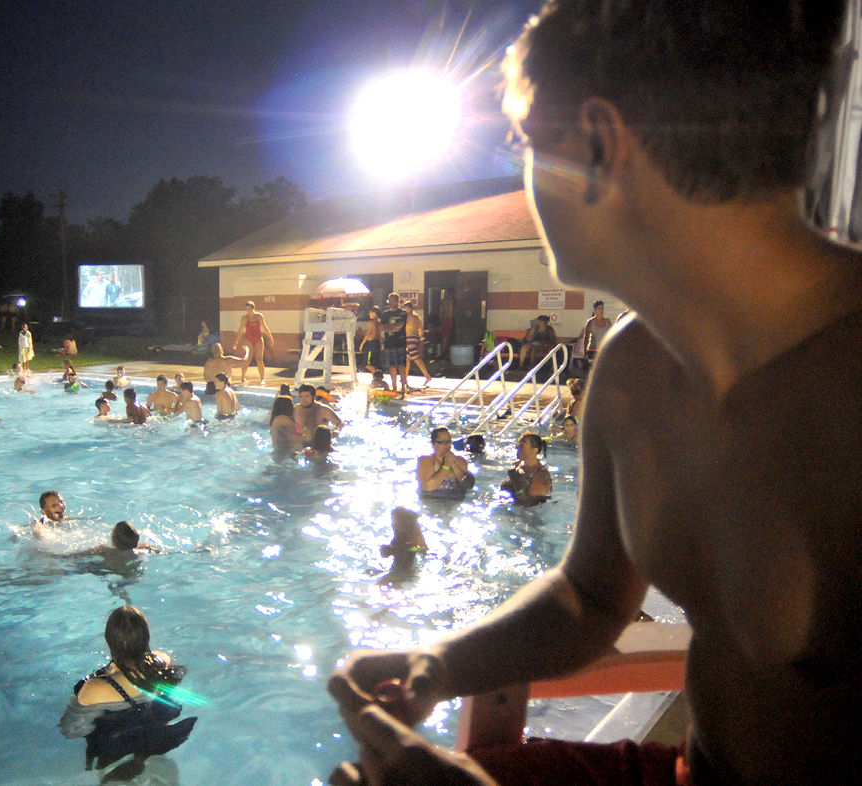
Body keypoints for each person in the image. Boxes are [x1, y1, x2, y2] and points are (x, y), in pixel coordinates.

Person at [328, 3, 861, 784]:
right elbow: (588, 598)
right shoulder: (634, 370)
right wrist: (434, 662)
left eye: (526, 146)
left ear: (601, 147)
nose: (525, 177)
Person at [59, 606, 196, 773]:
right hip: (160, 740)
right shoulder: (163, 661)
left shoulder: (94, 689)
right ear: (147, 638)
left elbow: (71, 730)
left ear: (107, 642)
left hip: (116, 755)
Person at [415, 426, 473, 499]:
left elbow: (468, 486)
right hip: (432, 503)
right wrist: (446, 465)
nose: (447, 445)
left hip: (455, 504)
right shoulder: (426, 461)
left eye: (448, 441)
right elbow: (428, 487)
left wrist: (454, 466)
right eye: (442, 442)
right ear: (433, 444)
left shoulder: (460, 461)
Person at [501, 432, 552, 506]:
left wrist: (517, 483)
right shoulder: (517, 466)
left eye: (522, 445)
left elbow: (532, 505)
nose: (517, 447)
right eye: (518, 445)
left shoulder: (541, 476)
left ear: (535, 450)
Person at [233, 301, 274, 385]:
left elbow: (264, 326)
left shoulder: (259, 316)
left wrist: (270, 337)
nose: (248, 311)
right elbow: (240, 330)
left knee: (259, 359)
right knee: (248, 359)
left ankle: (262, 378)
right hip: (248, 339)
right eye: (246, 309)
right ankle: (242, 377)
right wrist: (236, 341)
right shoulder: (244, 318)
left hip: (258, 338)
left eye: (249, 309)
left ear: (253, 309)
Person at [379, 293, 409, 395]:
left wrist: (389, 327)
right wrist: (392, 327)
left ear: (398, 301)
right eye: (391, 301)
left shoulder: (403, 313)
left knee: (401, 366)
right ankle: (394, 386)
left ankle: (403, 387)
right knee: (391, 366)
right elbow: (382, 327)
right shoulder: (385, 314)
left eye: (394, 301)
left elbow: (400, 325)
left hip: (400, 342)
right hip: (389, 343)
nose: (392, 303)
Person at [404, 309, 433, 386]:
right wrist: (420, 339)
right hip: (413, 338)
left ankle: (427, 376)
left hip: (410, 338)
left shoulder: (409, 317)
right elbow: (421, 330)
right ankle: (405, 378)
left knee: (416, 358)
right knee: (407, 359)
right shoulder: (417, 317)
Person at [581, 300, 612, 366]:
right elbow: (586, 337)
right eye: (599, 308)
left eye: (602, 308)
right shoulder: (591, 322)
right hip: (593, 350)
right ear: (595, 310)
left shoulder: (608, 321)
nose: (601, 310)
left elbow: (612, 336)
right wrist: (584, 351)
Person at [358, 307, 382, 373]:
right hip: (377, 343)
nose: (369, 314)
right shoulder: (379, 322)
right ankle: (376, 377)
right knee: (374, 363)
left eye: (370, 312)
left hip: (371, 344)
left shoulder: (372, 322)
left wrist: (362, 343)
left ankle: (377, 375)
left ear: (374, 313)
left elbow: (368, 333)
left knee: (367, 364)